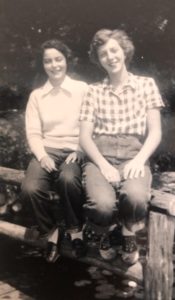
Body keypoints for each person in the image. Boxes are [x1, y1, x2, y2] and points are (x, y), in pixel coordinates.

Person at [80, 29, 164, 264]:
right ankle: (105, 232)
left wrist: (138, 161)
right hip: (100, 154)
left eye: (114, 50)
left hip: (134, 153)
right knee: (102, 205)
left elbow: (155, 131)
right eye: (103, 53)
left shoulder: (146, 84)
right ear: (98, 60)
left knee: (136, 196)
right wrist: (104, 165)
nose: (110, 57)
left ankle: (128, 232)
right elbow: (85, 137)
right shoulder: (93, 91)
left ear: (124, 51)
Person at [21, 39, 88, 261]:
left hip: (74, 150)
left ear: (66, 60)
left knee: (68, 180)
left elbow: (91, 125)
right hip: (47, 149)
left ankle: (75, 229)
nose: (54, 65)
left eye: (58, 59)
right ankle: (52, 231)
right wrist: (41, 155)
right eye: (48, 61)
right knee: (30, 189)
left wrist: (80, 149)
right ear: (43, 65)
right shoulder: (37, 96)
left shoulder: (82, 89)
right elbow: (33, 132)